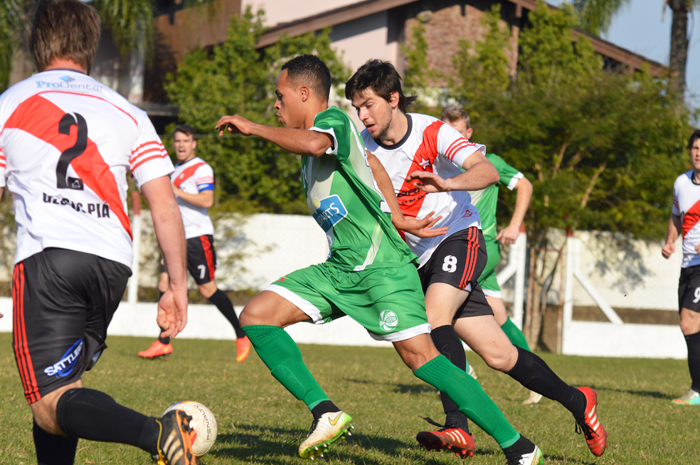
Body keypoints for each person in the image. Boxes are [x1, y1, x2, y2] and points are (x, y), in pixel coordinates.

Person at [216, 54, 545, 465]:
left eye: (280, 96)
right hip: (340, 270)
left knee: (422, 359)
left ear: (304, 94)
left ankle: (520, 448)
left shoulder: (332, 121)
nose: (275, 105)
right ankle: (326, 412)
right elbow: (371, 164)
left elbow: (320, 143)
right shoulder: (318, 147)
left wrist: (252, 127)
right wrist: (399, 214)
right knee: (257, 316)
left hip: (381, 270)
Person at [345, 59, 607, 459]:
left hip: (459, 236)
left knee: (434, 321)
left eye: (368, 105)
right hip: (416, 258)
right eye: (356, 108)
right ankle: (579, 401)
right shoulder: (363, 148)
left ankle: (457, 427)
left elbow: (486, 171)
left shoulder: (433, 132)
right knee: (500, 355)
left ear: (393, 99)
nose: (362, 116)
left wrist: (446, 183)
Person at [1, 1, 196, 464]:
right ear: (90, 46)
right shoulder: (127, 111)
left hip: (51, 262)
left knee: (50, 402)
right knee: (65, 389)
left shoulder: (12, 102)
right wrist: (177, 287)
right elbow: (165, 205)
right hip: (111, 266)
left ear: (37, 40)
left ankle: (158, 433)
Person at [441, 106, 541, 406]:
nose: (452, 139)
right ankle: (536, 381)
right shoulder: (441, 165)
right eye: (448, 133)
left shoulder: (487, 162)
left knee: (437, 307)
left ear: (469, 134)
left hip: (478, 247)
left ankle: (463, 370)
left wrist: (513, 225)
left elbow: (525, 185)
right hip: (459, 249)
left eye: (458, 133)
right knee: (498, 316)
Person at [137, 124, 251, 362]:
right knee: (164, 283)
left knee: (207, 289)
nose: (180, 145)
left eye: (185, 141)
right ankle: (163, 341)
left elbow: (207, 199)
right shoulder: (172, 169)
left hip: (197, 236)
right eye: (177, 141)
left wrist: (176, 191)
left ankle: (241, 334)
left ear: (194, 144)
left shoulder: (201, 168)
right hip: (174, 237)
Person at [661, 128, 700, 406]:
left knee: (688, 322)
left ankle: (697, 390)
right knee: (688, 325)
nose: (699, 154)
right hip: (687, 265)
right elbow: (677, 217)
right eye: (695, 149)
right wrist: (669, 241)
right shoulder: (681, 183)